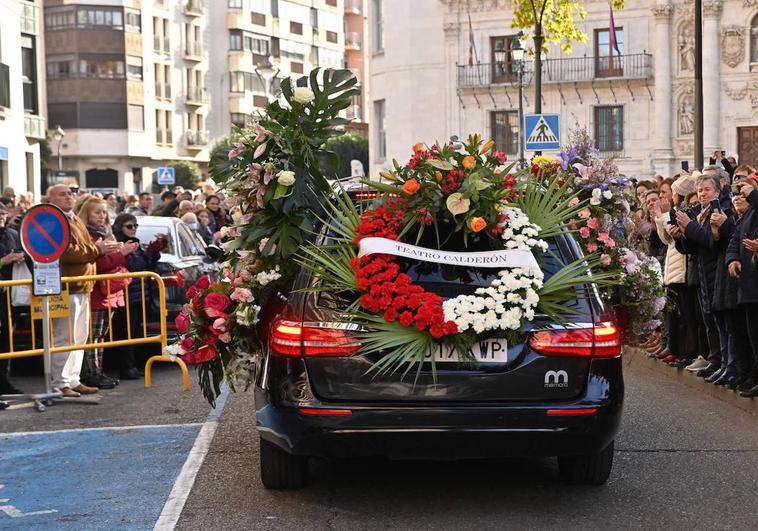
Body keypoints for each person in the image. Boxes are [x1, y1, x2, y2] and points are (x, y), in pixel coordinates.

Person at [47, 184, 118, 397]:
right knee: (64, 337)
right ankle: (60, 382)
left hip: (83, 285)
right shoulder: (53, 220)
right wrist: (98, 249)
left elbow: (82, 247)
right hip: (67, 286)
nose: (68, 197)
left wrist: (98, 250)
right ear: (50, 199)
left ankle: (73, 379)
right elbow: (66, 251)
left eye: (70, 193)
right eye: (62, 194)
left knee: (79, 336)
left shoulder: (73, 218)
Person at [672, 174, 734, 383]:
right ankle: (718, 361)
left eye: (707, 189)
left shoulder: (720, 210)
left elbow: (710, 241)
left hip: (716, 272)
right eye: (700, 190)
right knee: (710, 321)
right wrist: (680, 235)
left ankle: (727, 364)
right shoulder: (700, 212)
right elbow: (692, 249)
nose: (702, 194)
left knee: (722, 324)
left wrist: (689, 227)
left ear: (717, 191)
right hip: (702, 272)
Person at [79, 198, 139, 388]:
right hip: (95, 292)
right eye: (97, 212)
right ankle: (92, 373)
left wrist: (121, 252)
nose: (101, 216)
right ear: (86, 213)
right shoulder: (86, 235)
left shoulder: (104, 234)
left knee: (100, 336)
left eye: (104, 212)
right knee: (93, 337)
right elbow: (95, 265)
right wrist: (121, 253)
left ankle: (96, 372)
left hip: (108, 292)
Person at [112, 213, 168, 377]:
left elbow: (146, 266)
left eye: (135, 226)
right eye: (129, 226)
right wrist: (145, 254)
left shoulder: (134, 243)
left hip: (139, 295)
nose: (133, 229)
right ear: (120, 227)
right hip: (126, 295)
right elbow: (133, 265)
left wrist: (153, 253)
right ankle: (126, 367)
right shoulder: (118, 244)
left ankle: (132, 366)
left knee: (135, 333)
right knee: (126, 333)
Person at [726, 176, 758, 396]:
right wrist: (733, 259)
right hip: (748, 285)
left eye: (745, 191)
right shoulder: (749, 215)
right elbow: (736, 239)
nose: (741, 194)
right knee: (753, 336)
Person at [0, 208, 25, 395]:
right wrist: (4, 261)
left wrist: (21, 257)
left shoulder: (13, 234)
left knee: (7, 339)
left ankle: (5, 381)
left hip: (11, 293)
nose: (1, 217)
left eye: (2, 214)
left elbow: (24, 251)